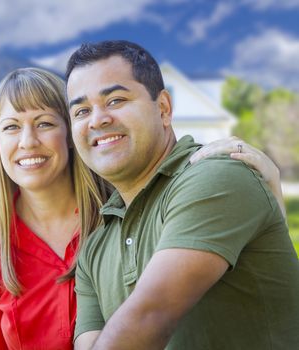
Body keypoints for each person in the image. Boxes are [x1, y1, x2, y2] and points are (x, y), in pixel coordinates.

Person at [0, 67, 286, 350]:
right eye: (11, 127)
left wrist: (270, 189)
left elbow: (252, 284)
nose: (27, 141)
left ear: (71, 132)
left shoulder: (123, 213)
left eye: (44, 123)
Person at [66, 40, 299, 349]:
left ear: (163, 108)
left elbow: (151, 315)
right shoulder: (94, 249)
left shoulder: (215, 176)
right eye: (82, 111)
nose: (97, 119)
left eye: (116, 100)